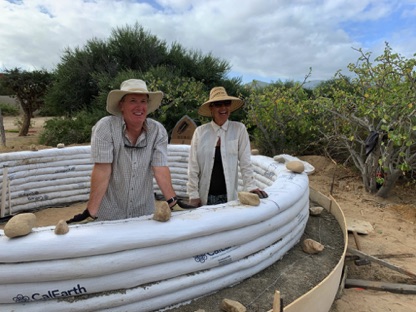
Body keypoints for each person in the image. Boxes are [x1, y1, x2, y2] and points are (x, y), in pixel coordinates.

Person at [68, 79, 182, 222]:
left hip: (143, 212)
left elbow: (160, 168)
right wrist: (90, 212)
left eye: (143, 101)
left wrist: (173, 202)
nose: (139, 107)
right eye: (133, 101)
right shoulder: (105, 128)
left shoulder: (157, 131)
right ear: (121, 105)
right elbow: (102, 170)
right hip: (109, 213)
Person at [187, 87, 268, 207]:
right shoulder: (200, 132)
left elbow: (245, 161)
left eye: (227, 103)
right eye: (218, 104)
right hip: (204, 197)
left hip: (229, 196)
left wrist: (251, 186)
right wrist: (193, 195)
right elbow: (193, 166)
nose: (223, 108)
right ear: (211, 108)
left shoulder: (239, 129)